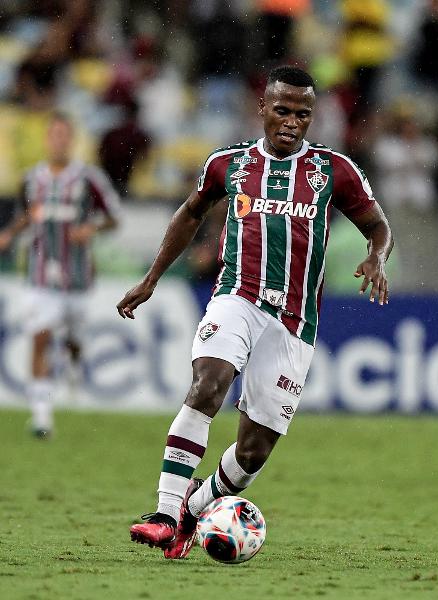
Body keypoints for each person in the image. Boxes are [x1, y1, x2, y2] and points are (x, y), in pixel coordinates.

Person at [117, 65, 393, 559]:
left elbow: (378, 225)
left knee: (252, 453)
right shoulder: (229, 164)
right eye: (282, 110)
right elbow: (189, 213)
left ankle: (192, 510)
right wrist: (153, 277)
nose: (291, 122)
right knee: (209, 382)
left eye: (302, 114)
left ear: (312, 118)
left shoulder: (334, 170)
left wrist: (377, 254)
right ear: (263, 109)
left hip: (294, 322)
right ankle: (163, 511)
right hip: (236, 296)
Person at [0, 112, 120, 438]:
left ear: (72, 139)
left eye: (64, 135)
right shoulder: (31, 179)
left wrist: (90, 228)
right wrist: (9, 233)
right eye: (54, 135)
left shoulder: (88, 179)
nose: (59, 141)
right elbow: (29, 215)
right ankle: (42, 418)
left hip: (77, 276)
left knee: (73, 341)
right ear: (47, 139)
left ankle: (74, 356)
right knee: (40, 337)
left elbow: (113, 217)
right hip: (40, 273)